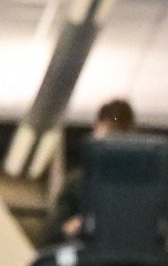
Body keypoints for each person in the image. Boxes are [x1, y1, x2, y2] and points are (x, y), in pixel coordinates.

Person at [40, 98, 138, 246]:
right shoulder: (79, 184)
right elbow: (51, 232)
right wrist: (70, 227)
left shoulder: (142, 185)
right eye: (110, 133)